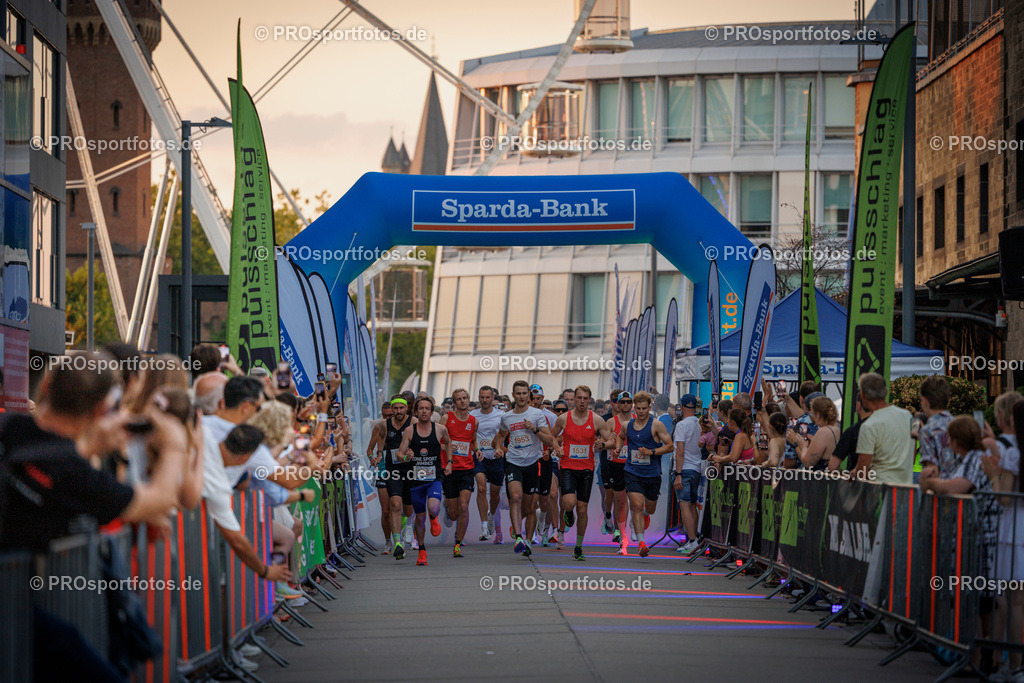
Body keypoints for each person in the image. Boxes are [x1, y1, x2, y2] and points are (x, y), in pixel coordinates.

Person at [493, 380, 557, 557]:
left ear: (528, 395)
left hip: (532, 463)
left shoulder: (536, 414)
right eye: (518, 393)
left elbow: (550, 440)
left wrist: (535, 430)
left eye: (524, 393)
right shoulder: (507, 417)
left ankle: (528, 541)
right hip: (513, 462)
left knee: (530, 507)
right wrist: (498, 448)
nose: (521, 397)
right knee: (515, 496)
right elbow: (500, 436)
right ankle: (519, 538)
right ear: (513, 395)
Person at [551, 385, 614, 561]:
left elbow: (611, 441)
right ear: (574, 399)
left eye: (585, 398)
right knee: (569, 502)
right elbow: (552, 436)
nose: (581, 401)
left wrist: (603, 445)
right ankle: (567, 512)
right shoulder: (564, 418)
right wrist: (557, 448)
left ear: (589, 400)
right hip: (568, 465)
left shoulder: (596, 420)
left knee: (583, 508)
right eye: (579, 398)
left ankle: (578, 546)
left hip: (587, 468)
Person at [615, 391, 674, 557]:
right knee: (636, 505)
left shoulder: (656, 425)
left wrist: (652, 451)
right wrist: (618, 448)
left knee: (650, 508)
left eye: (644, 408)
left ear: (650, 408)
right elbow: (620, 437)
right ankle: (641, 543)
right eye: (638, 408)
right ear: (635, 407)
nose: (640, 411)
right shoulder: (628, 425)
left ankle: (647, 516)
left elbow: (670, 446)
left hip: (652, 474)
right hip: (632, 471)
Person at [397, 397, 450, 566]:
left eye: (427, 408)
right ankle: (422, 550)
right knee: (419, 519)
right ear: (416, 411)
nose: (424, 411)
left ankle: (434, 517)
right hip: (416, 479)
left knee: (433, 506)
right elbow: (399, 454)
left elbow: (449, 444)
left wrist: (449, 462)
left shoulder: (440, 429)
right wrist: (406, 456)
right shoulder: (410, 431)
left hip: (434, 476)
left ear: (432, 411)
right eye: (421, 409)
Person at [854, 373, 914, 485]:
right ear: (886, 392)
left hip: (880, 491)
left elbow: (862, 470)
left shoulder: (869, 426)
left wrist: (854, 474)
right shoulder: (907, 416)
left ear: (862, 395)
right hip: (907, 490)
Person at [440, 388, 478, 557]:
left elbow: (473, 441)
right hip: (448, 469)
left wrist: (477, 450)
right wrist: (448, 446)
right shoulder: (447, 418)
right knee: (454, 513)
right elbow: (436, 441)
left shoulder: (474, 421)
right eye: (459, 399)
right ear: (454, 403)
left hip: (467, 469)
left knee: (464, 506)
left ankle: (457, 544)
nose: (463, 401)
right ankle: (446, 507)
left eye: (465, 398)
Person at [471, 386, 506, 543]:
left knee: (494, 494)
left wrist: (500, 448)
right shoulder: (473, 415)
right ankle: (484, 526)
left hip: (496, 458)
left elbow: (506, 437)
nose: (484, 400)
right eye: (482, 397)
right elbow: (470, 437)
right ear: (479, 398)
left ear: (492, 398)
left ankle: (491, 515)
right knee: (481, 487)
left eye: (487, 397)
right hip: (479, 457)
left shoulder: (501, 416)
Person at [382, 396, 414, 560]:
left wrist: (412, 451)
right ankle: (397, 543)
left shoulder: (414, 422)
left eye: (402, 408)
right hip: (393, 469)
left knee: (408, 509)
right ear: (392, 410)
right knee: (395, 503)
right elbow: (377, 447)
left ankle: (408, 524)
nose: (399, 411)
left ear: (406, 408)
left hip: (410, 469)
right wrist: (375, 456)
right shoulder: (385, 425)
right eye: (396, 408)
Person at [672, 394, 703, 555]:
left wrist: (677, 473)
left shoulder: (682, 425)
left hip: (684, 469)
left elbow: (680, 451)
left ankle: (692, 540)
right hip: (697, 468)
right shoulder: (700, 423)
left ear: (682, 407)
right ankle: (694, 538)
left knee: (684, 505)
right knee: (692, 504)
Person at [530, 384, 560, 547]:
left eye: (538, 398)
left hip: (547, 459)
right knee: (530, 498)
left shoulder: (551, 416)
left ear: (542, 398)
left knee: (548, 497)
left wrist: (549, 449)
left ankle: (546, 524)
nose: (535, 401)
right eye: (533, 398)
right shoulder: (522, 414)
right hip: (527, 460)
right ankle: (532, 532)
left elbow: (556, 438)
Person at [367, 401, 395, 553]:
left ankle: (403, 533)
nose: (388, 418)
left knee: (399, 507)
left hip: (400, 469)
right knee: (386, 511)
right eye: (385, 416)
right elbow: (369, 450)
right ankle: (388, 541)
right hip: (383, 469)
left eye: (390, 415)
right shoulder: (379, 427)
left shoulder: (405, 427)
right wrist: (372, 457)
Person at [786, 396, 840, 470]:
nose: (812, 418)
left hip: (820, 479)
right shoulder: (837, 428)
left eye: (811, 414)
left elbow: (807, 463)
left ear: (818, 415)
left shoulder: (823, 432)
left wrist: (800, 445)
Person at [917, 375, 956, 480]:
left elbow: (931, 470)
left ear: (924, 401)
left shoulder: (927, 430)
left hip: (940, 490)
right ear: (948, 401)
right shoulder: (960, 424)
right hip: (963, 489)